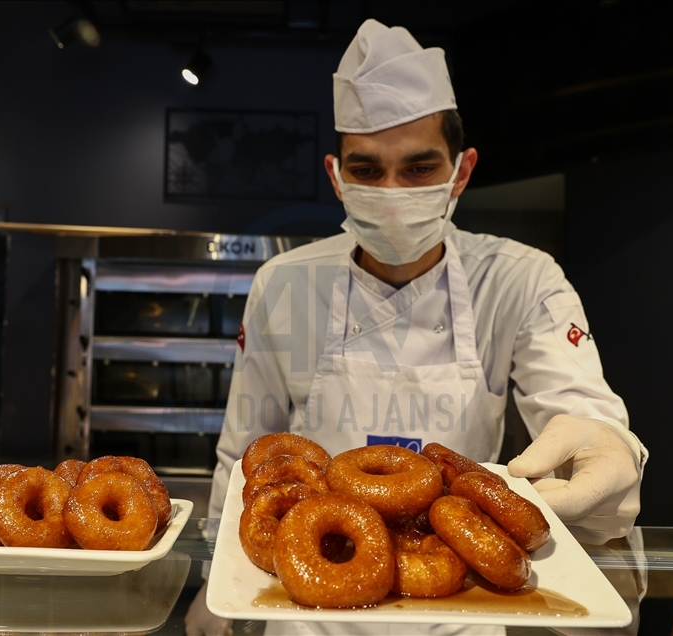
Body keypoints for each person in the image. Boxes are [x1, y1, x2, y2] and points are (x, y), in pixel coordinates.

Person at [185, 18, 647, 636]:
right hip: (302, 608)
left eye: (420, 168)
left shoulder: (522, 280)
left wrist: (607, 444)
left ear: (462, 171)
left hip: (465, 608)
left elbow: (578, 409)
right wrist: (221, 595)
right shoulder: (283, 285)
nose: (392, 190)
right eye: (368, 170)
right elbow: (244, 452)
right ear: (336, 176)